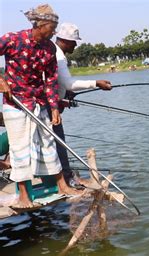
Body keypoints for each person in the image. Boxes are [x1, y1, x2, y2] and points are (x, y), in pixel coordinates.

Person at [0, 4, 81, 208]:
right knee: (19, 150)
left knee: (48, 143)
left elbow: (51, 80)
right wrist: (1, 80)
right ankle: (24, 196)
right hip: (15, 102)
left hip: (39, 102)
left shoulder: (49, 48)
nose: (54, 31)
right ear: (41, 24)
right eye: (52, 27)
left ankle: (62, 185)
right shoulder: (13, 39)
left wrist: (54, 107)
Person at [54, 22, 112, 186]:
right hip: (49, 109)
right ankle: (66, 180)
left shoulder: (56, 53)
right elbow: (68, 83)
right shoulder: (58, 56)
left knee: (58, 142)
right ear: (65, 40)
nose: (75, 45)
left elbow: (62, 85)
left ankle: (64, 177)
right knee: (59, 142)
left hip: (53, 105)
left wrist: (65, 94)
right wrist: (96, 83)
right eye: (74, 41)